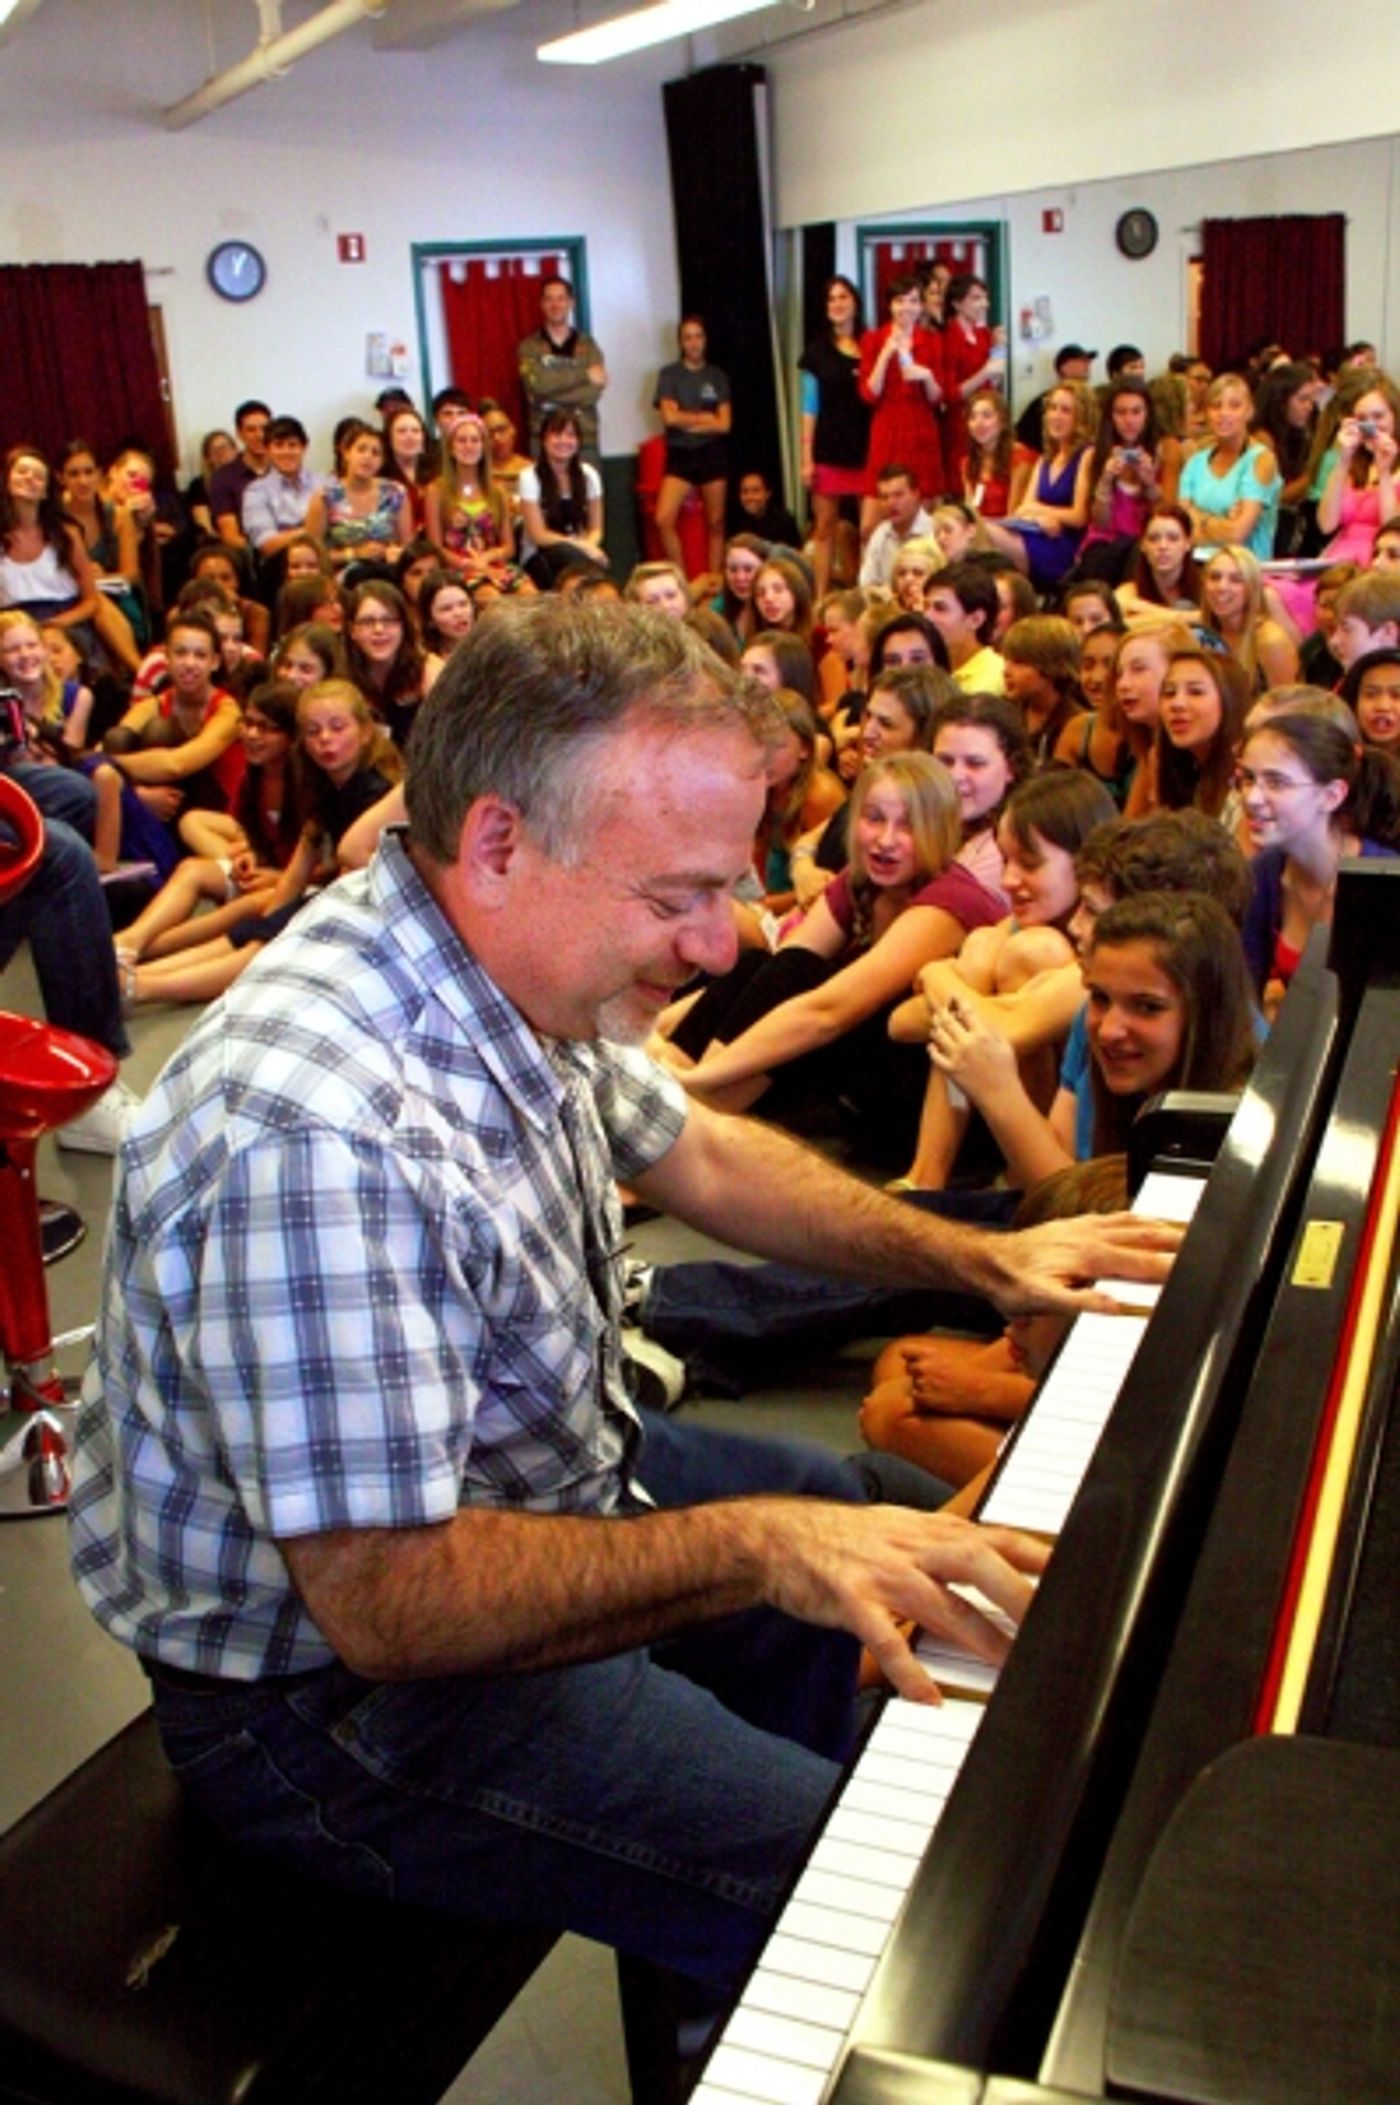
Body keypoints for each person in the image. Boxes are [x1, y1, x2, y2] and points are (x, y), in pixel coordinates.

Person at [70, 600, 1172, 2010]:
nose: (721, 945)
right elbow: (391, 1608)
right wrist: (760, 1548)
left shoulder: (502, 949)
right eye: (678, 899)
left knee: (876, 1513)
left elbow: (697, 1148)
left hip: (540, 1492)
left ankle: (704, 1971)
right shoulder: (320, 1127)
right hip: (326, 1703)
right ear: (497, 841)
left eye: (731, 885)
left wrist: (984, 1254)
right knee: (882, 1886)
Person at [1238, 708, 1400, 1013]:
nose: (1251, 798)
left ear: (1332, 796)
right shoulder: (1262, 876)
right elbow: (1245, 1002)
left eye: (1276, 782)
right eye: (1248, 779)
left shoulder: (1386, 883)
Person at [798, 275, 872, 597]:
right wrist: (806, 458)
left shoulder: (872, 344)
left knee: (868, 529)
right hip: (829, 449)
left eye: (843, 297)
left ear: (855, 302)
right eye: (831, 299)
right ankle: (819, 598)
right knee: (824, 527)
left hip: (869, 448)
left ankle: (867, 592)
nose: (837, 304)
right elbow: (808, 407)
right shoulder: (816, 352)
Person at [858, 275, 944, 531]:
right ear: (890, 305)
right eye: (900, 301)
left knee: (924, 521)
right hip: (887, 427)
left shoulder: (932, 340)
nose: (907, 307)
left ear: (921, 306)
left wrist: (926, 376)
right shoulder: (873, 339)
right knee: (870, 526)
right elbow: (868, 394)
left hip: (921, 428)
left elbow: (938, 397)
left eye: (913, 301)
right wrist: (885, 356)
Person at [653, 317, 732, 579]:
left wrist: (685, 419)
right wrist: (703, 419)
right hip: (680, 454)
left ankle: (713, 581)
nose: (694, 342)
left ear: (705, 340)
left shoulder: (716, 376)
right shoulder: (669, 375)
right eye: (688, 337)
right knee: (663, 518)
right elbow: (668, 418)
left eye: (698, 336)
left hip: (711, 453)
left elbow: (724, 425)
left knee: (716, 523)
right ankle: (681, 578)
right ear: (680, 342)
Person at [1000, 384, 1095, 594]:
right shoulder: (1046, 458)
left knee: (983, 532)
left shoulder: (1087, 455)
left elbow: (1079, 516)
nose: (1056, 416)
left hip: (1063, 545)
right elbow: (1022, 509)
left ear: (1082, 418)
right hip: (1037, 532)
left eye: (1065, 410)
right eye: (1052, 408)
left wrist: (1038, 510)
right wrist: (1039, 518)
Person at [1178, 374, 1281, 563]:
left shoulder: (1261, 459)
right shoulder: (1195, 462)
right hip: (1197, 562)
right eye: (1216, 406)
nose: (1223, 413)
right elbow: (1181, 528)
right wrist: (1223, 522)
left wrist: (1200, 519)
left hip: (1247, 568)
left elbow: (1237, 534)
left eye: (1234, 406)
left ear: (1249, 411)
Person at [517, 273, 608, 463]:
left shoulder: (588, 345)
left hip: (584, 438)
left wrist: (549, 395)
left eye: (561, 299)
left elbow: (593, 392)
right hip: (543, 437)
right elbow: (537, 387)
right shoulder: (529, 347)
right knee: (545, 493)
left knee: (588, 492)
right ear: (541, 304)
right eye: (549, 299)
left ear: (571, 303)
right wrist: (584, 375)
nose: (555, 305)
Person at [518, 410, 608, 588]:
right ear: (544, 440)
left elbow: (596, 528)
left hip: (580, 551)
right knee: (576, 564)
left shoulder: (589, 475)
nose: (564, 441)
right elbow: (539, 535)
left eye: (570, 435)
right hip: (540, 555)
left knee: (596, 567)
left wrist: (589, 546)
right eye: (556, 434)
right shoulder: (529, 477)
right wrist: (581, 547)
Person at [241, 416, 322, 584]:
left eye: (292, 445)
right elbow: (267, 545)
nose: (286, 452)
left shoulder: (324, 484)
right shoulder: (256, 491)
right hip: (281, 566)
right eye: (278, 446)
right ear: (268, 449)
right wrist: (312, 529)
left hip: (324, 560)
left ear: (304, 447)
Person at [208, 400, 272, 552]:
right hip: (250, 553)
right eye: (251, 430)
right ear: (239, 434)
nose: (260, 435)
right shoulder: (223, 478)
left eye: (265, 428)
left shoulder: (285, 470)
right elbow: (230, 535)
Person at [859, 463, 933, 587]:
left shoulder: (934, 532)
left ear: (915, 494)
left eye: (898, 495)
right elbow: (866, 583)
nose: (890, 503)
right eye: (884, 497)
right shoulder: (880, 534)